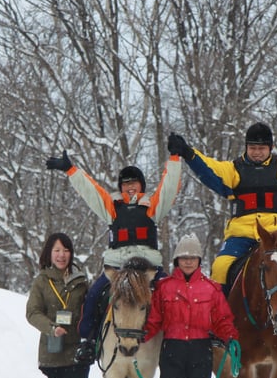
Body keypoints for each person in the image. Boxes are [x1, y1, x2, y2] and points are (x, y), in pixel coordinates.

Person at [166, 87, 277, 320]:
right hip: (242, 235)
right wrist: (188, 153)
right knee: (221, 266)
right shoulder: (233, 170)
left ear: (270, 149)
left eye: (262, 148)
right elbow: (208, 167)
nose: (257, 153)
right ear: (246, 147)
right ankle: (217, 321)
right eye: (252, 148)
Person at [44, 150, 182, 363]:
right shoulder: (113, 208)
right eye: (126, 183)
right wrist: (70, 170)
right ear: (120, 187)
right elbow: (91, 192)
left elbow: (169, 188)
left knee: (172, 296)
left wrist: (174, 160)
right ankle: (88, 341)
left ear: (142, 185)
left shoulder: (153, 207)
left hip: (149, 268)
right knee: (93, 296)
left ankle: (176, 342)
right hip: (117, 266)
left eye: (134, 182)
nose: (130, 187)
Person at [143, 234, 238, 378]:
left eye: (192, 257)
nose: (188, 261)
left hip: (199, 350)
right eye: (183, 257)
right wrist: (139, 338)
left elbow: (222, 319)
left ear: (199, 260)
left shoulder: (211, 289)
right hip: (173, 350)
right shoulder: (164, 288)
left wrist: (231, 338)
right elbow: (154, 320)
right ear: (176, 260)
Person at [25, 232, 90, 378]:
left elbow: (90, 313)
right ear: (49, 253)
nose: (62, 255)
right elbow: (32, 312)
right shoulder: (42, 281)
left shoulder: (81, 282)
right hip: (50, 355)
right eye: (57, 250)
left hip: (76, 357)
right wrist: (51, 328)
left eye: (66, 250)